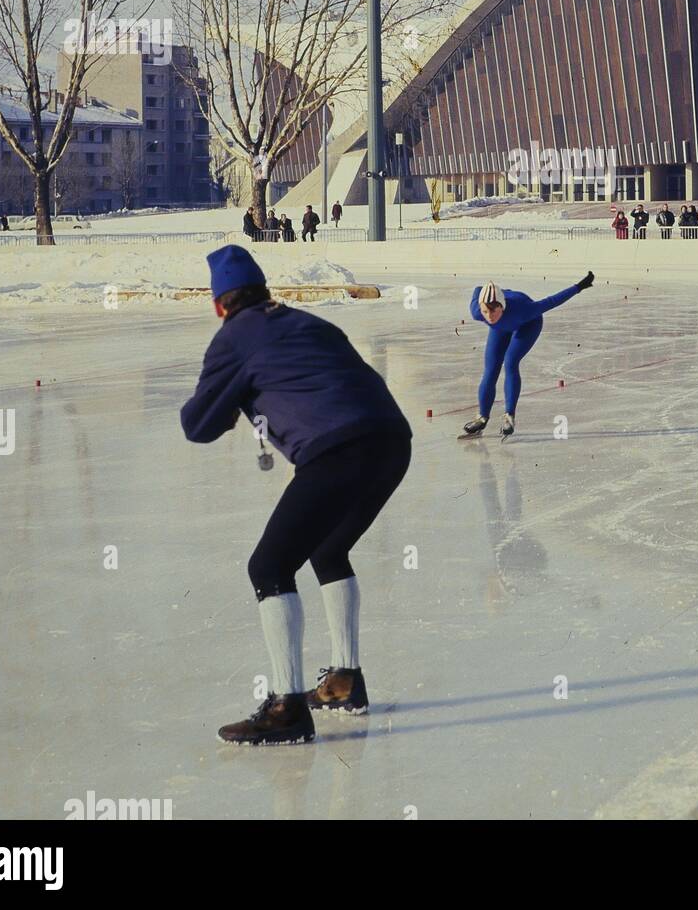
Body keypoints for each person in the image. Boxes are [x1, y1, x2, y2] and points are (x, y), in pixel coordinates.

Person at [180, 246, 412, 745]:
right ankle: (344, 680)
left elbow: (197, 425)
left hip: (337, 450)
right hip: (392, 440)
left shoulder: (235, 337)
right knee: (328, 550)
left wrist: (229, 404)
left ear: (220, 303)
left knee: (269, 567)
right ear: (264, 289)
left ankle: (286, 706)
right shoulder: (310, 322)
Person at [464, 273, 596, 439]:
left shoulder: (524, 310)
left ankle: (509, 416)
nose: (489, 317)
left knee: (511, 362)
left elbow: (551, 301)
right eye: (485, 312)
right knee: (491, 368)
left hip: (529, 324)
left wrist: (578, 287)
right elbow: (478, 290)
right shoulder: (477, 311)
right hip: (503, 326)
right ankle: (482, 417)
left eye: (493, 312)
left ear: (502, 307)